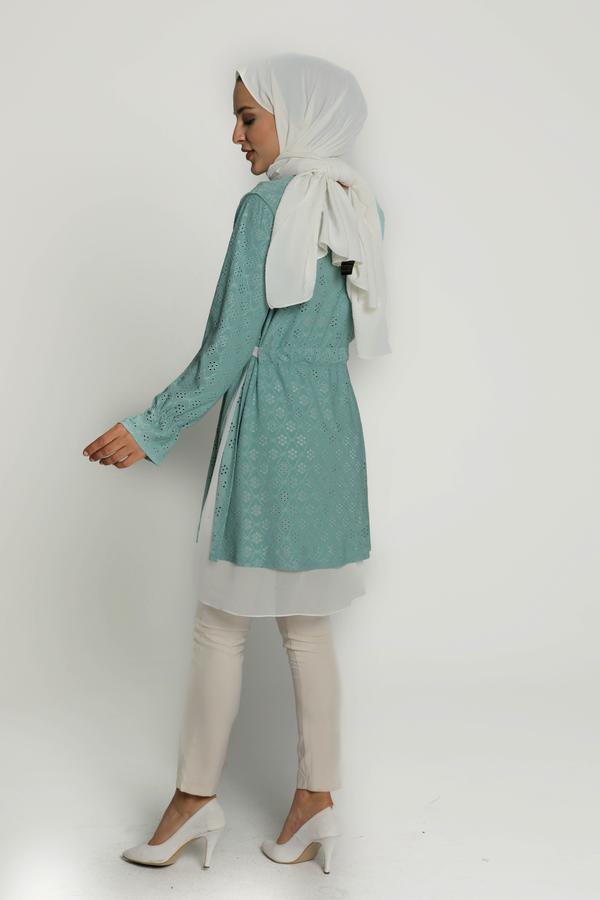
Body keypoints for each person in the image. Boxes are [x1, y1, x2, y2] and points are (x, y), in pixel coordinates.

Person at [82, 52, 391, 875]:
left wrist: (152, 426)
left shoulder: (267, 206)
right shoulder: (359, 205)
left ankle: (193, 801)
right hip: (331, 432)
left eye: (249, 117)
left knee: (221, 622)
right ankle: (316, 803)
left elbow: (230, 345)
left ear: (298, 117)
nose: (236, 134)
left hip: (268, 430)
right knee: (306, 627)